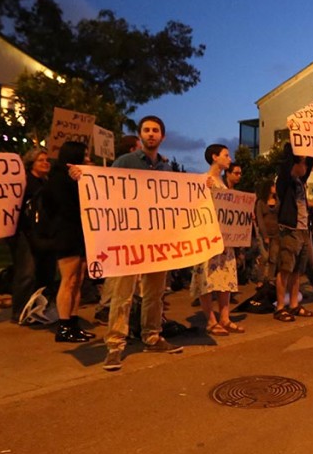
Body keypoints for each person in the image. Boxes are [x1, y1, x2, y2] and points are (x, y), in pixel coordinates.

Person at [103, 117, 184, 372]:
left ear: (162, 136)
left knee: (154, 293)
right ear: (140, 136)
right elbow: (103, 190)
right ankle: (115, 345)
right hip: (129, 240)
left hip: (157, 241)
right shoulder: (124, 163)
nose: (151, 134)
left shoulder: (166, 168)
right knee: (123, 294)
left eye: (156, 130)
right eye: (147, 130)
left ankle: (152, 336)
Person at [41, 140, 95, 343]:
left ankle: (72, 322)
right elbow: (65, 208)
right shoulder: (59, 181)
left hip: (78, 234)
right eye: (85, 155)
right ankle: (63, 325)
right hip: (67, 234)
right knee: (69, 280)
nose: (88, 159)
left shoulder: (74, 178)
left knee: (78, 281)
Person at [191, 144, 243, 335]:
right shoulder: (204, 181)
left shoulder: (221, 182)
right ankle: (211, 320)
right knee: (207, 278)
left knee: (225, 277)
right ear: (215, 157)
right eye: (226, 155)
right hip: (207, 238)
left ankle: (225, 317)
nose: (229, 158)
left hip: (224, 239)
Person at [11, 147, 56, 323]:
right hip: (25, 232)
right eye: (41, 160)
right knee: (27, 272)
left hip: (44, 233)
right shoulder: (24, 183)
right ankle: (20, 311)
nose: (45, 163)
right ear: (31, 163)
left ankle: (39, 308)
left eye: (47, 160)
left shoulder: (47, 182)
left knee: (46, 271)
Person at [274, 141, 313, 322]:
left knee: (297, 270)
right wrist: (294, 146)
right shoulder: (284, 183)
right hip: (290, 230)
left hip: (303, 229)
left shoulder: (301, 183)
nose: (305, 166)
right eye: (301, 162)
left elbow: (312, 161)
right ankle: (280, 307)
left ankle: (293, 304)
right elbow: (286, 166)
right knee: (285, 268)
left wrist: (312, 144)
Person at [254, 178, 279, 289]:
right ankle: (260, 279)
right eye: (273, 186)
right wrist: (265, 235)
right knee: (264, 257)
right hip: (264, 232)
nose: (275, 188)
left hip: (276, 233)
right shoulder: (261, 202)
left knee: (273, 257)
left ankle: (270, 279)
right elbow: (260, 219)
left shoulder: (278, 201)